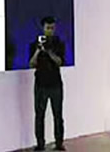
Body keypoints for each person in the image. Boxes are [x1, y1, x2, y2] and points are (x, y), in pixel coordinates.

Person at [29, 16, 66, 151]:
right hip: (40, 85)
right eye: (48, 28)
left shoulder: (58, 44)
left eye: (52, 28)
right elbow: (31, 64)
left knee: (58, 115)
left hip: (55, 84)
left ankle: (59, 143)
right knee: (39, 116)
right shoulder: (35, 44)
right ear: (43, 28)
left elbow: (60, 62)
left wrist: (49, 52)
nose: (50, 30)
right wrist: (38, 51)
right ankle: (40, 144)